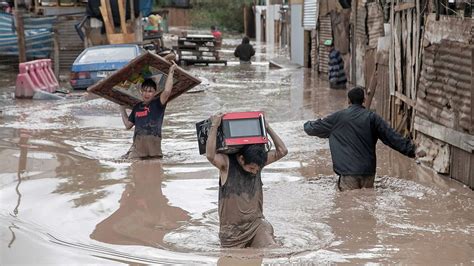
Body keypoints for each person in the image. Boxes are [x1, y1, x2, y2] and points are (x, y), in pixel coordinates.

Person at [303, 86, 423, 191]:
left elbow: (312, 129)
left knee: (348, 206)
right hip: (368, 174)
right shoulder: (372, 118)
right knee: (367, 204)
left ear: (348, 100)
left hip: (348, 174)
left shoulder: (338, 118)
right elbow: (391, 137)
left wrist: (307, 124)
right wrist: (412, 150)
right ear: (364, 101)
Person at [206, 114, 288, 248]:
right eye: (251, 168)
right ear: (241, 159)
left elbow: (282, 151)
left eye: (257, 169)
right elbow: (210, 155)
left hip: (256, 226)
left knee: (273, 250)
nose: (254, 172)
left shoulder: (257, 162)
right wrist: (214, 126)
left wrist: (267, 127)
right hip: (232, 233)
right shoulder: (226, 164)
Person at [120, 62, 178, 159]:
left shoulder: (158, 104)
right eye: (145, 91)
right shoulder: (137, 107)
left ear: (155, 93)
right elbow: (128, 125)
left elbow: (167, 91)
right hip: (138, 149)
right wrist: (122, 109)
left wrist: (171, 72)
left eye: (150, 91)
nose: (147, 94)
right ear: (141, 91)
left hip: (154, 148)